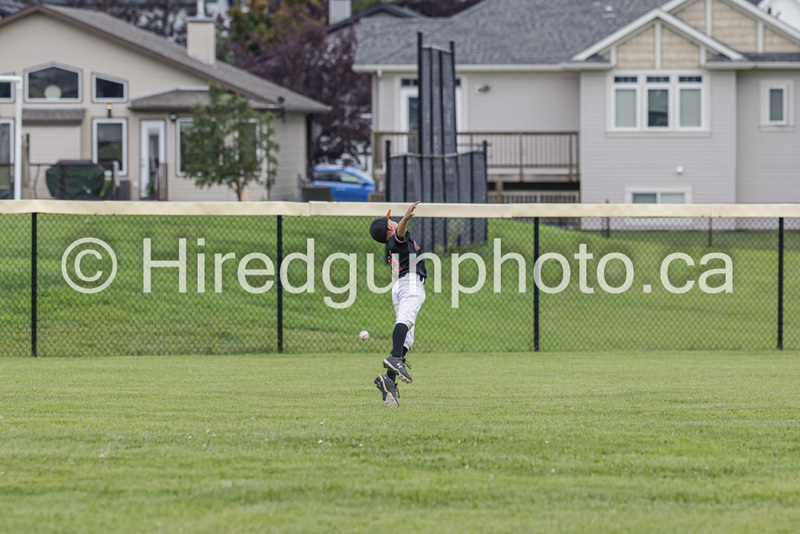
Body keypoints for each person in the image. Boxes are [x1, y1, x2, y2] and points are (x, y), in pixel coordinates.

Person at [369, 201, 426, 407]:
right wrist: (405, 219)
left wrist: (402, 223)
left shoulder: (392, 246)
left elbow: (400, 237)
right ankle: (394, 360)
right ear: (390, 228)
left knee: (407, 340)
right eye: (390, 221)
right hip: (410, 284)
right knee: (405, 320)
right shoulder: (396, 239)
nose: (392, 221)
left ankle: (388, 381)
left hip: (402, 286)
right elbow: (400, 234)